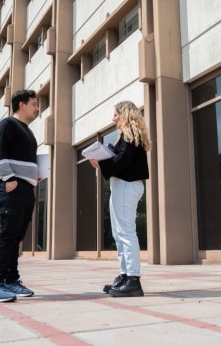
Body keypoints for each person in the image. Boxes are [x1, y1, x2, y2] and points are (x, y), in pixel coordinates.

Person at [89, 101, 151, 297]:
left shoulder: (131, 135)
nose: (113, 118)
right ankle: (125, 275)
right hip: (121, 185)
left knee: (125, 232)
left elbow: (123, 160)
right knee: (119, 233)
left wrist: (100, 163)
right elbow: (121, 156)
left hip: (126, 185)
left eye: (116, 114)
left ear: (125, 115)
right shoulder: (126, 137)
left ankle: (133, 279)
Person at [0, 89, 40, 302]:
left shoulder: (28, 131)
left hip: (26, 188)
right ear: (22, 105)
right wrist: (8, 178)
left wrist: (36, 176)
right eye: (34, 104)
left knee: (16, 236)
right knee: (7, 234)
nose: (37, 108)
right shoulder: (7, 124)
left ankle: (11, 280)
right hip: (11, 187)